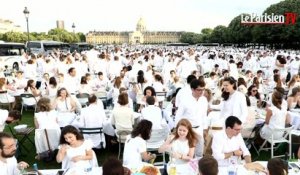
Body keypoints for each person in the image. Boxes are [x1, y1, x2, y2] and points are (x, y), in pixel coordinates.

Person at [175, 79, 208, 157]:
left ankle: (198, 167)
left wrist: (205, 128)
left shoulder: (204, 100)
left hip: (199, 129)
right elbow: (178, 115)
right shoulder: (185, 100)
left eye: (203, 90)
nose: (202, 92)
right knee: (187, 153)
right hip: (187, 130)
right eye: (199, 90)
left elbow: (204, 115)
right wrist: (177, 129)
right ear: (192, 89)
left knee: (199, 152)